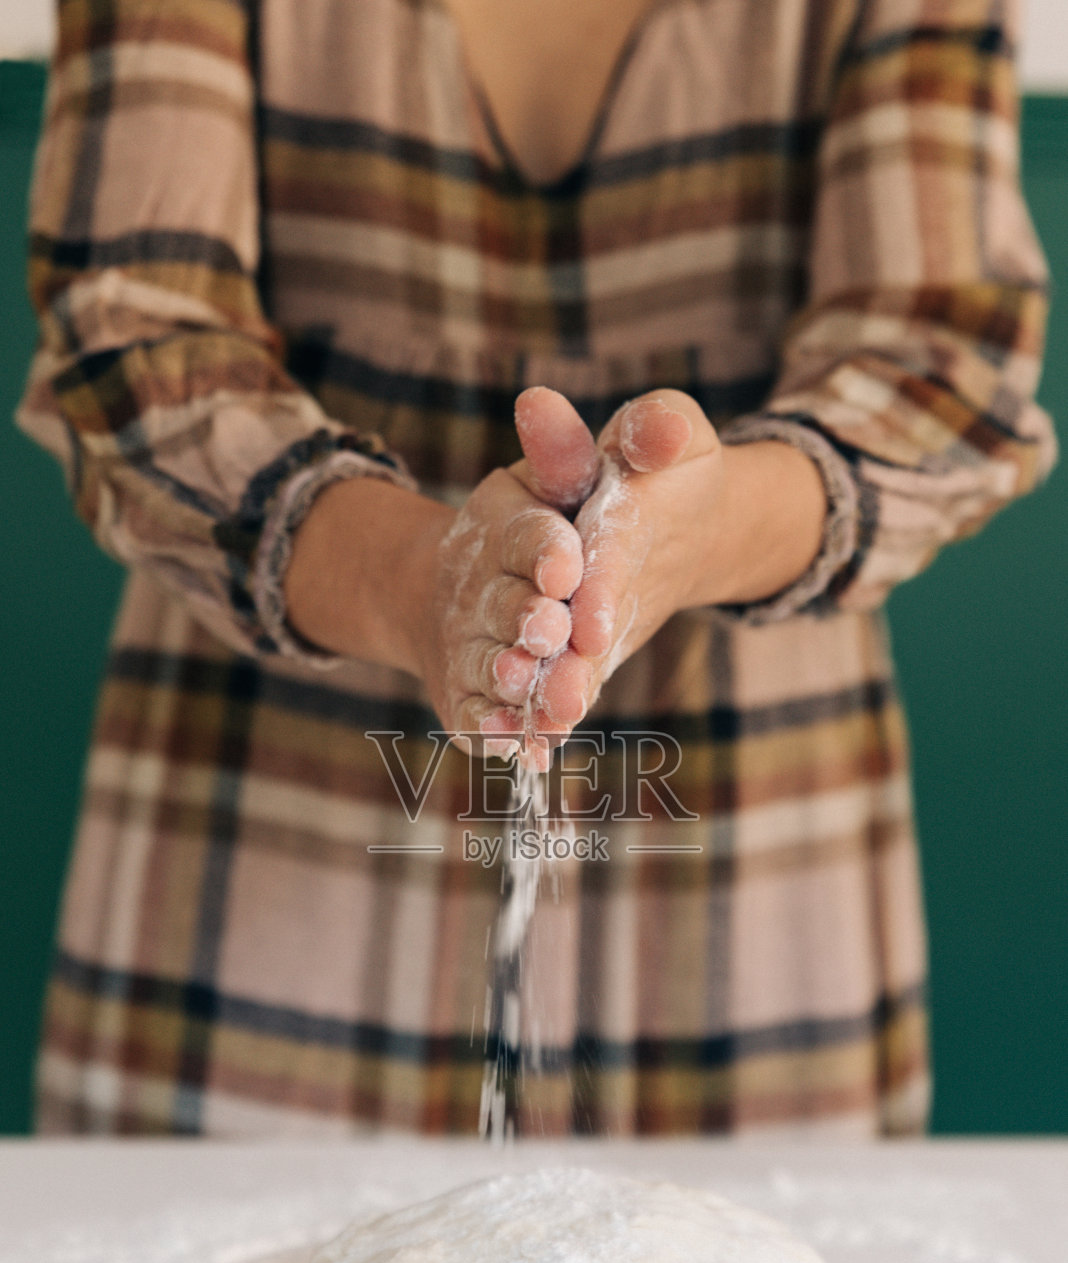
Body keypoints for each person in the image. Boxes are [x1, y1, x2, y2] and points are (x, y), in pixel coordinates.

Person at [18, 0, 1055, 1138]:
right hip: (251, 875)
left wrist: (691, 534)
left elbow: (933, 366)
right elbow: (136, 340)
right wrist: (420, 582)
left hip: (746, 893)